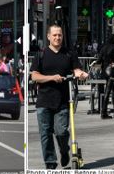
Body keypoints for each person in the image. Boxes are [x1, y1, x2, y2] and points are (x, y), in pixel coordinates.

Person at [31, 24, 89, 170]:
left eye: (60, 35)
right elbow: (35, 76)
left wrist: (81, 74)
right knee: (45, 134)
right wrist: (51, 78)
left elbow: (76, 70)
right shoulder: (41, 54)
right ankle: (50, 164)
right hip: (44, 101)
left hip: (63, 100)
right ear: (48, 36)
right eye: (55, 35)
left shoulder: (69, 54)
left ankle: (64, 151)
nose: (57, 38)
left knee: (62, 132)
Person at [98, 34, 114, 119]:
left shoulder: (103, 48)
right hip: (111, 71)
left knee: (112, 90)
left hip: (104, 71)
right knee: (111, 91)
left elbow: (99, 60)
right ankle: (104, 112)